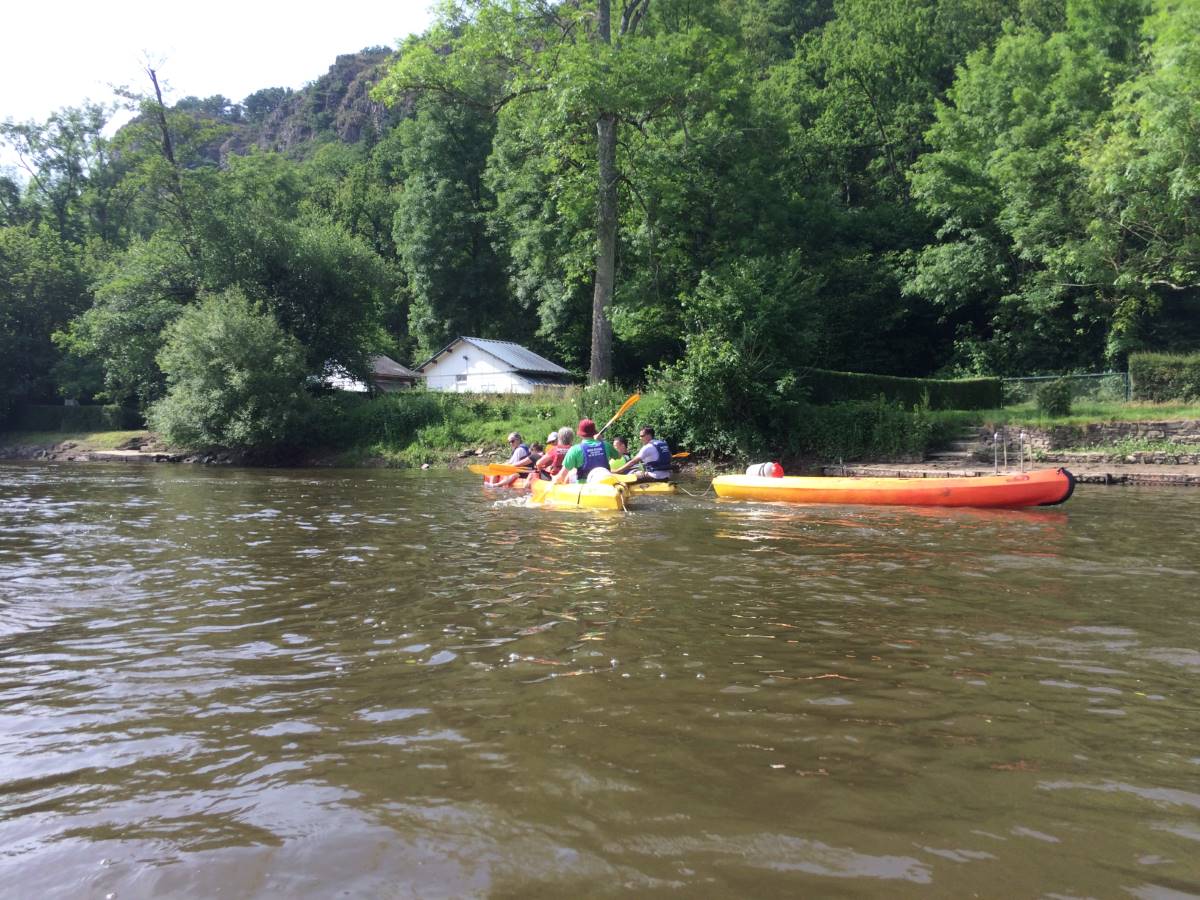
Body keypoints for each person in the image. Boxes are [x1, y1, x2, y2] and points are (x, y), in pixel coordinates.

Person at [555, 418, 621, 484]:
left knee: (571, 473)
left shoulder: (575, 450)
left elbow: (561, 476)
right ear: (594, 432)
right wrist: (602, 440)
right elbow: (619, 456)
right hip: (607, 486)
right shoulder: (606, 445)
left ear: (580, 434)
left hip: (585, 488)